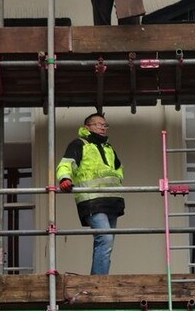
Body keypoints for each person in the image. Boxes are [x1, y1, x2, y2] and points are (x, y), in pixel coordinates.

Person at [56, 113, 124, 275]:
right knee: (105, 239)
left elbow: (118, 171)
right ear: (87, 127)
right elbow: (66, 164)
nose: (102, 127)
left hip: (112, 201)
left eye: (105, 125)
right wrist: (64, 178)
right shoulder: (79, 144)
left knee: (106, 244)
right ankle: (98, 282)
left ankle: (99, 279)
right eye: (98, 124)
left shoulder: (109, 148)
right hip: (91, 199)